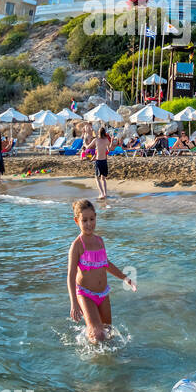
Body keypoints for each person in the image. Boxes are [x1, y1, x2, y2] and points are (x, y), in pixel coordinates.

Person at [66, 199, 135, 343]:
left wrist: (124, 278)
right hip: (86, 295)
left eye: (92, 219)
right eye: (84, 220)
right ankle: (93, 362)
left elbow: (106, 264)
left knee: (108, 332)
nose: (89, 224)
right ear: (76, 221)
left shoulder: (100, 241)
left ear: (96, 217)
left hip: (103, 294)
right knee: (98, 336)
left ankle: (110, 360)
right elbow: (71, 276)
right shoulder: (77, 246)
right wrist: (74, 302)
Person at [93, 128, 111, 199]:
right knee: (103, 179)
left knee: (97, 178)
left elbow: (88, 146)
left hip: (98, 161)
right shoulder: (106, 140)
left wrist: (85, 144)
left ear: (98, 133)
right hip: (104, 161)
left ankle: (101, 194)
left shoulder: (96, 140)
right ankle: (105, 194)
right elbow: (109, 149)